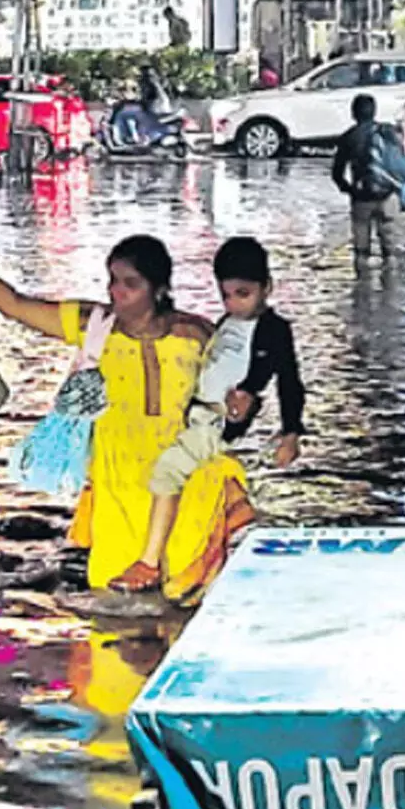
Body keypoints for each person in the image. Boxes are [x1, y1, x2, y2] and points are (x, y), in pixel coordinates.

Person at [0, 237, 255, 599]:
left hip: (187, 477)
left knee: (188, 592)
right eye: (113, 280)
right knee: (114, 597)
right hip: (118, 478)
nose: (116, 292)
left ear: (160, 289)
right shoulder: (93, 325)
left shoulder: (197, 333)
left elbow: (230, 396)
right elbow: (13, 304)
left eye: (130, 284)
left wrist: (240, 406)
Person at [115, 237, 306, 591]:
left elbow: (289, 381)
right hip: (197, 414)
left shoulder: (273, 330)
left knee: (168, 472)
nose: (234, 303)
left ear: (267, 288)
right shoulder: (228, 321)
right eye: (227, 295)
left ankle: (148, 562)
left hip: (216, 421)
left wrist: (290, 431)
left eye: (243, 294)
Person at [332, 93, 401, 257]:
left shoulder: (348, 137)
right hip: (388, 196)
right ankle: (391, 279)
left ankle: (363, 279)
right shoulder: (389, 132)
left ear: (353, 113)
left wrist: (349, 190)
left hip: (362, 198)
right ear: (374, 111)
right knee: (391, 251)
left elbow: (337, 173)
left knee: (361, 251)